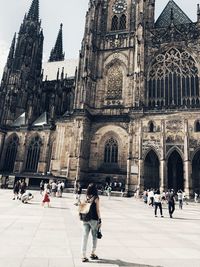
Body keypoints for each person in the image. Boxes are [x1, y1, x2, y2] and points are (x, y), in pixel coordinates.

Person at [81, 183, 101, 262]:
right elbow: (97, 210)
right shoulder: (96, 198)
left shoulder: (86, 197)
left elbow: (82, 207)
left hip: (85, 219)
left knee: (85, 236)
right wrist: (100, 219)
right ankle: (92, 253)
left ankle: (83, 255)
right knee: (94, 236)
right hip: (94, 219)